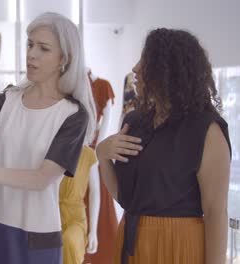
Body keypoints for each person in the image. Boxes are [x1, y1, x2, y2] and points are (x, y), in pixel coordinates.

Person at [0, 12, 97, 264]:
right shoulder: (9, 98)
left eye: (43, 48)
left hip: (35, 238)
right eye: (30, 44)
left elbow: (42, 178)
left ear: (64, 58)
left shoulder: (73, 115)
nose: (31, 54)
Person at [96, 28, 231, 264]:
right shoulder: (135, 122)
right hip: (131, 240)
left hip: (179, 245)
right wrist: (102, 154)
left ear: (170, 69)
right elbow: (127, 199)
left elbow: (215, 213)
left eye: (145, 60)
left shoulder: (206, 130)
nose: (135, 68)